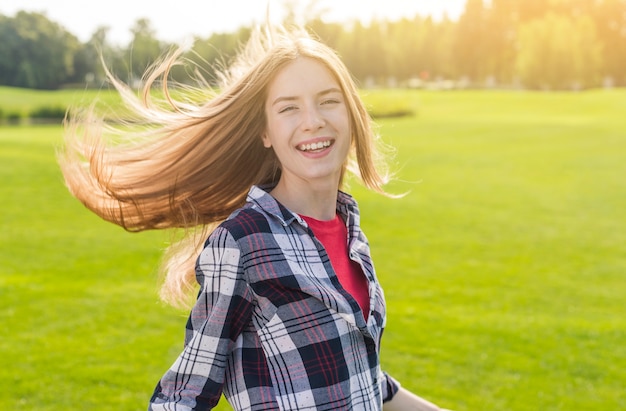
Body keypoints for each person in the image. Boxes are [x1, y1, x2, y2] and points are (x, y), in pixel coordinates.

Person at [60, 24, 453, 411]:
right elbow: (184, 397)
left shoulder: (350, 230)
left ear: (351, 114)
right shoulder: (243, 242)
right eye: (288, 108)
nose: (312, 120)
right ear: (265, 131)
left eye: (328, 101)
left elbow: (361, 376)